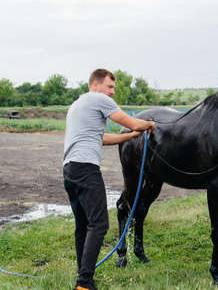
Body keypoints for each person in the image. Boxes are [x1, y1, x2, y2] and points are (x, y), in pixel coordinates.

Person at [63, 69, 155, 290]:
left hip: (70, 170)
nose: (112, 92)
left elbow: (101, 138)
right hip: (86, 170)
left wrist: (131, 136)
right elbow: (132, 122)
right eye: (110, 87)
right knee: (100, 224)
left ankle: (83, 274)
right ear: (96, 85)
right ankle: (84, 284)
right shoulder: (98, 99)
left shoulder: (78, 105)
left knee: (83, 225)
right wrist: (148, 125)